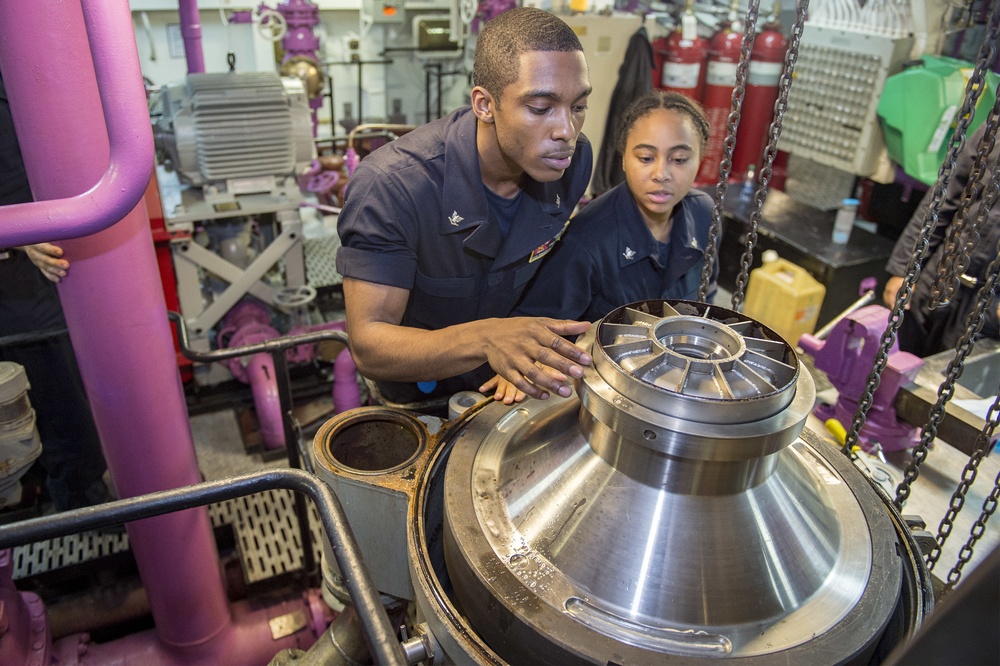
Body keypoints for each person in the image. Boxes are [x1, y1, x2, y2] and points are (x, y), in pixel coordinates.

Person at [336, 7, 595, 405]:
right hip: (418, 393)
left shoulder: (572, 164)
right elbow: (370, 345)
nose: (567, 131)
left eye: (578, 107)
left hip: (510, 381)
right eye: (541, 108)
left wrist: (529, 347)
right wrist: (487, 337)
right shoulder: (392, 188)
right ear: (485, 105)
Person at [485, 90, 718, 403]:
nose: (661, 174)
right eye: (646, 158)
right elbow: (538, 327)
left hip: (677, 381)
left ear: (700, 161)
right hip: (607, 392)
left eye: (679, 159)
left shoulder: (705, 215)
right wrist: (525, 366)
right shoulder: (588, 239)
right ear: (623, 158)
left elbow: (707, 303)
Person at [0, 73, 110, 512]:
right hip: (20, 301)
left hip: (56, 281)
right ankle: (79, 511)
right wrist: (14, 231)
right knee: (63, 420)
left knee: (82, 402)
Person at [883, 122, 1000, 357]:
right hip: (937, 277)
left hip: (988, 305)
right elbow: (944, 198)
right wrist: (904, 269)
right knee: (893, 366)